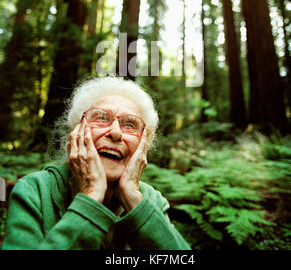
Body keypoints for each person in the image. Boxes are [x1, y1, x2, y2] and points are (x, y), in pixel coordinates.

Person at [2, 76, 190, 250]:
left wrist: (133, 200)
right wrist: (91, 196)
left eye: (130, 124)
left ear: (143, 145)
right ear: (75, 133)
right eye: (100, 118)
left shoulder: (151, 200)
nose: (116, 133)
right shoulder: (34, 190)